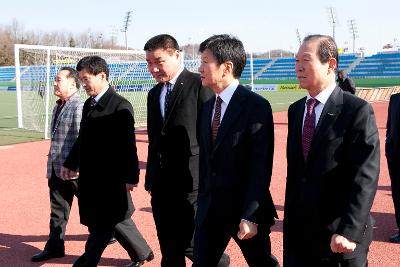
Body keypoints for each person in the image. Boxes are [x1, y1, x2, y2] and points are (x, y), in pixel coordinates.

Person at [283, 34, 380, 267]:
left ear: (331, 65)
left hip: (339, 236)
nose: (299, 67)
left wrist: (349, 230)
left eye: (306, 60)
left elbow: (364, 176)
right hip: (300, 236)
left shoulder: (356, 110)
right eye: (296, 61)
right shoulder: (296, 110)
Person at [194, 34, 279, 267]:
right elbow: (206, 161)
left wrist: (250, 214)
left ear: (226, 67)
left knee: (261, 263)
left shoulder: (256, 106)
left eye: (205, 61)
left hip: (244, 210)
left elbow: (261, 166)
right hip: (210, 210)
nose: (199, 67)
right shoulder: (208, 106)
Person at [144, 34, 229, 267]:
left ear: (177, 55)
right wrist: (150, 178)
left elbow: (213, 139)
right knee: (169, 248)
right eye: (149, 63)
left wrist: (210, 182)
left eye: (159, 62)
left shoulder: (199, 85)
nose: (153, 69)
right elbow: (154, 140)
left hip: (192, 183)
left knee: (195, 245)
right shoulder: (154, 94)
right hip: (161, 185)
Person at [61, 56, 153, 267]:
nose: (83, 84)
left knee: (102, 229)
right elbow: (82, 138)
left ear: (102, 75)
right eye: (81, 79)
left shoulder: (121, 105)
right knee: (115, 220)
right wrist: (71, 162)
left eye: (86, 79)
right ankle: (141, 253)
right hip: (92, 178)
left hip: (111, 180)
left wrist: (131, 177)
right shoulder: (88, 104)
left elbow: (129, 146)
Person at [31, 67, 83, 262]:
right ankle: (54, 247)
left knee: (96, 210)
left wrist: (76, 166)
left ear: (72, 82)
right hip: (56, 168)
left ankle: (129, 242)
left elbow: (82, 139)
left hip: (74, 171)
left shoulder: (79, 106)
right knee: (58, 211)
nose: (54, 83)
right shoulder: (58, 105)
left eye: (58, 79)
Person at [386, 92, 400, 243]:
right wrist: (388, 145)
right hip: (395, 156)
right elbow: (390, 125)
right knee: (397, 194)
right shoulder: (394, 98)